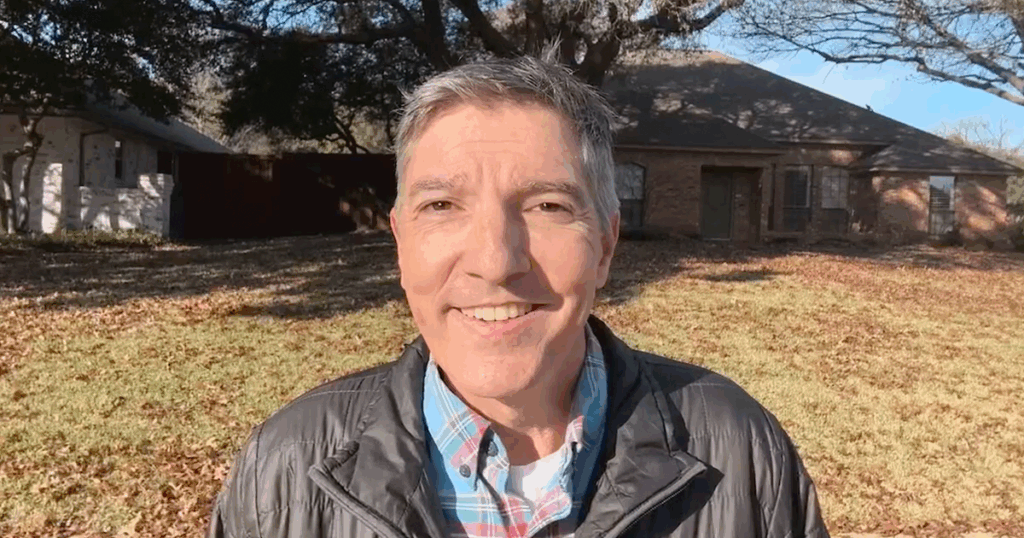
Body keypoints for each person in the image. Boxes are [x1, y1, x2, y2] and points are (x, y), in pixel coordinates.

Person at [207, 52, 830, 538]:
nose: (496, 261)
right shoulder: (285, 468)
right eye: (442, 205)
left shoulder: (741, 452)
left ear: (606, 246)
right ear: (401, 244)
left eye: (547, 204)